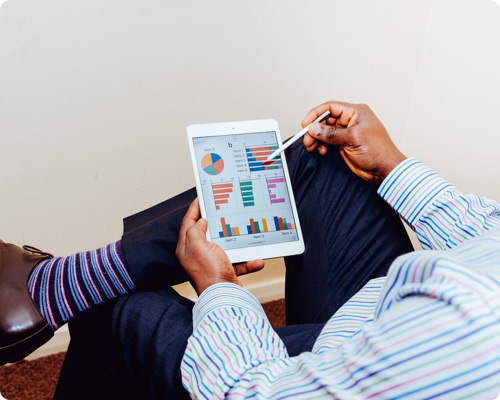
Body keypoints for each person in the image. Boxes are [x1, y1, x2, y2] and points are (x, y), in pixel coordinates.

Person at [0, 101, 499, 399]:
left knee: (118, 307)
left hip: (343, 367)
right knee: (319, 158)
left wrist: (220, 288)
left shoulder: (475, 329)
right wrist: (391, 165)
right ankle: (60, 284)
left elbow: (253, 392)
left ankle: (62, 289)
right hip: (398, 309)